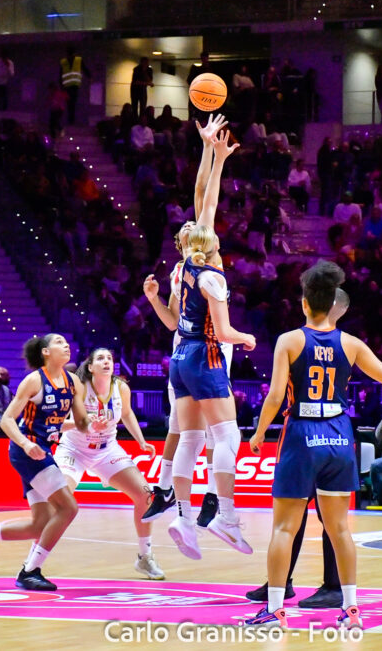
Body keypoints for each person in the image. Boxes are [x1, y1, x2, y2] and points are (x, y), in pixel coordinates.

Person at [245, 261, 382, 629]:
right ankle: (352, 609)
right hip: (339, 435)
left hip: (302, 434)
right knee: (339, 529)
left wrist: (259, 432)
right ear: (333, 304)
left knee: (284, 528)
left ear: (305, 304)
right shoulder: (351, 343)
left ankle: (275, 610)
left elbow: (276, 395)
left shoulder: (290, 341)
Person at [141, 115, 232, 527]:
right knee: (212, 430)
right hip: (212, 344)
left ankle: (170, 495)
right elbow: (206, 198)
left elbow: (200, 195)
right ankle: (213, 500)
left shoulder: (179, 270)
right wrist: (217, 156)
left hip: (183, 348)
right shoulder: (205, 259)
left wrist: (208, 150)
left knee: (182, 428)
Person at [0, 334, 98, 591]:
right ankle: (30, 570)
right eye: (59, 342)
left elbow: (79, 422)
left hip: (42, 450)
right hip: (27, 451)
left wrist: (93, 423)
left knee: (39, 524)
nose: (66, 345)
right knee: (68, 508)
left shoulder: (74, 381)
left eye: (67, 342)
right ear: (45, 352)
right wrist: (26, 444)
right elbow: (7, 420)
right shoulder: (34, 381)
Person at [245, 287, 352, 610]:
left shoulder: (322, 341)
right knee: (298, 514)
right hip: (329, 433)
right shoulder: (334, 342)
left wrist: (259, 430)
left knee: (325, 518)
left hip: (312, 428)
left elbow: (276, 395)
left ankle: (333, 586)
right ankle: (283, 581)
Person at [167, 218, 256, 560]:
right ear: (215, 247)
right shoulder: (213, 278)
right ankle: (227, 518)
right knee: (227, 437)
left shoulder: (187, 266)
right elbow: (223, 331)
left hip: (180, 356)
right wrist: (246, 338)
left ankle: (183, 518)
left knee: (190, 440)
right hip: (205, 356)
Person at [54, 348, 164, 580]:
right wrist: (85, 423)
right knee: (59, 502)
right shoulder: (79, 388)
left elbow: (126, 413)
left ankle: (145, 558)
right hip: (75, 449)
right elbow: (58, 422)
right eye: (101, 358)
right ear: (91, 366)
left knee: (145, 495)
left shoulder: (121, 387)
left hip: (106, 449)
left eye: (110, 358)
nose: (107, 362)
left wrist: (141, 441)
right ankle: (33, 563)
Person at [59, 46, 92, 125]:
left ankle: (70, 121)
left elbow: (60, 74)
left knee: (70, 103)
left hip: (69, 86)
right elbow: (84, 69)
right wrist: (90, 77)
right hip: (72, 86)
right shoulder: (77, 60)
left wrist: (61, 85)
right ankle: (71, 121)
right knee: (71, 103)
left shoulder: (65, 61)